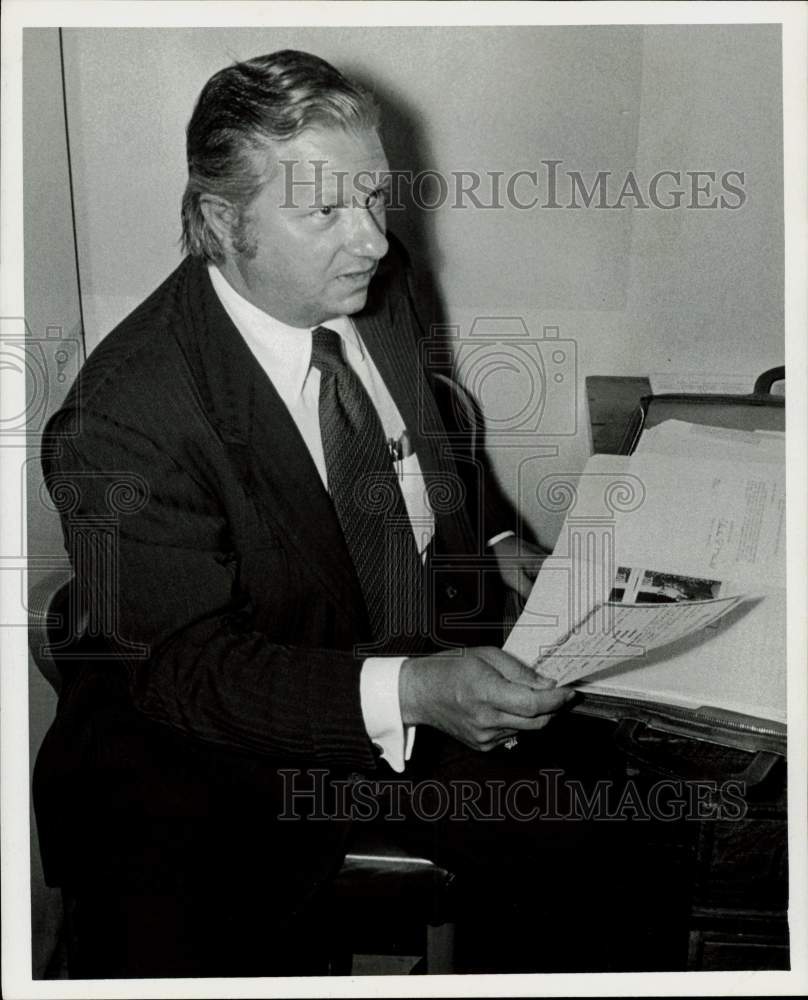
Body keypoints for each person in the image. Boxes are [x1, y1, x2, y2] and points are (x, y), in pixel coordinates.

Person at [34, 50, 672, 979]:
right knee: (591, 841)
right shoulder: (125, 420)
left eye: (375, 197)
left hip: (425, 642)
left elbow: (431, 426)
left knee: (640, 804)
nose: (371, 238)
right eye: (325, 210)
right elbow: (185, 672)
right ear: (223, 223)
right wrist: (413, 693)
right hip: (235, 753)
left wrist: (490, 537)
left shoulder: (376, 281)